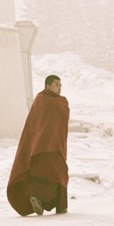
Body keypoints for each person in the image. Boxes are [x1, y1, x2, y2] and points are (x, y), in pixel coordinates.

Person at [7, 75, 70, 216]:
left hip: (39, 148)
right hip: (53, 147)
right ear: (47, 86)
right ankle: (60, 206)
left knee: (39, 175)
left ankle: (36, 197)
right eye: (56, 85)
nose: (59, 88)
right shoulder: (57, 102)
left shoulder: (40, 100)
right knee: (59, 175)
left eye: (60, 85)